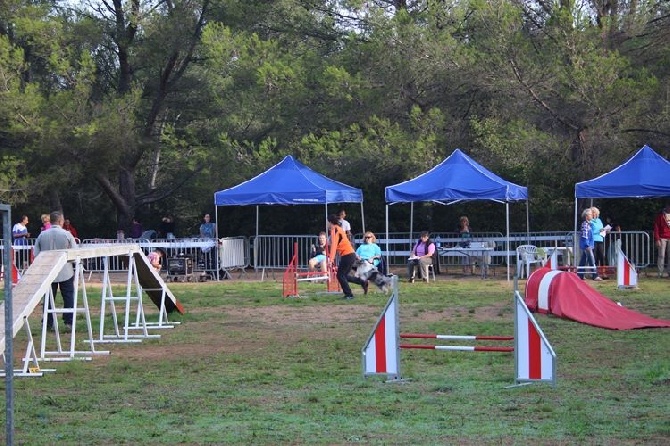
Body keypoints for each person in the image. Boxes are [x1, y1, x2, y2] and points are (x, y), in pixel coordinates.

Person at [33, 211, 78, 331]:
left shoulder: (42, 235)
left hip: (48, 272)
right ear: (60, 221)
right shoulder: (67, 235)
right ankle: (69, 321)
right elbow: (75, 253)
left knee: (48, 298)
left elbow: (36, 254)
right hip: (66, 271)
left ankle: (48, 323)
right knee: (68, 297)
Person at [327, 214, 367, 299]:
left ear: (330, 222)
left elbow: (334, 246)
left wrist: (330, 260)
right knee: (343, 275)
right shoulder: (339, 229)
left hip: (347, 255)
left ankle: (349, 295)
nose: (327, 224)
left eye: (327, 222)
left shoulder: (335, 230)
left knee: (340, 275)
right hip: (350, 254)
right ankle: (362, 282)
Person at [578, 208, 599, 280]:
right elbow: (585, 236)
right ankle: (595, 275)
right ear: (587, 216)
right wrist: (587, 245)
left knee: (583, 261)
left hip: (587, 245)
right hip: (587, 246)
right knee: (592, 261)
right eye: (590, 214)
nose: (592, 215)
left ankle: (580, 275)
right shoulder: (585, 225)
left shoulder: (589, 224)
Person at [590, 207, 608, 279]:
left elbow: (602, 228)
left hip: (600, 239)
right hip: (593, 239)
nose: (594, 214)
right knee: (594, 257)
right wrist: (599, 231)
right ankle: (594, 274)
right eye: (592, 212)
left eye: (594, 212)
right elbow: (591, 231)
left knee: (602, 256)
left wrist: (605, 230)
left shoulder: (599, 220)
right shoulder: (590, 221)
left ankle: (603, 273)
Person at [652, 203, 670, 277]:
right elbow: (656, 228)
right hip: (662, 237)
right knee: (661, 255)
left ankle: (669, 272)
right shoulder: (660, 216)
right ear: (666, 207)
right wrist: (657, 239)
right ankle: (660, 272)